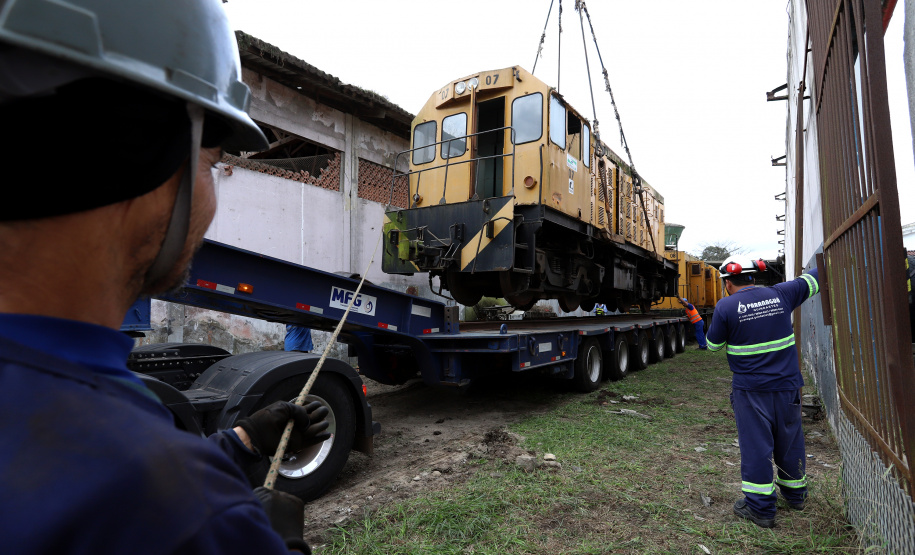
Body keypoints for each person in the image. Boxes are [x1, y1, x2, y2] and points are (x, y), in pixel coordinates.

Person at [0, 1, 328, 552]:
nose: (211, 193)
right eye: (211, 164)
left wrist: (242, 443)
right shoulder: (190, 516)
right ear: (143, 154)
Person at [706, 258, 820, 529]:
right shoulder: (782, 293)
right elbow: (815, 280)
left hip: (751, 390)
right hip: (788, 386)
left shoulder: (726, 306)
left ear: (728, 283)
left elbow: (712, 345)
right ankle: (796, 496)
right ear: (753, 278)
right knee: (790, 439)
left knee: (757, 446)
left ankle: (760, 509)